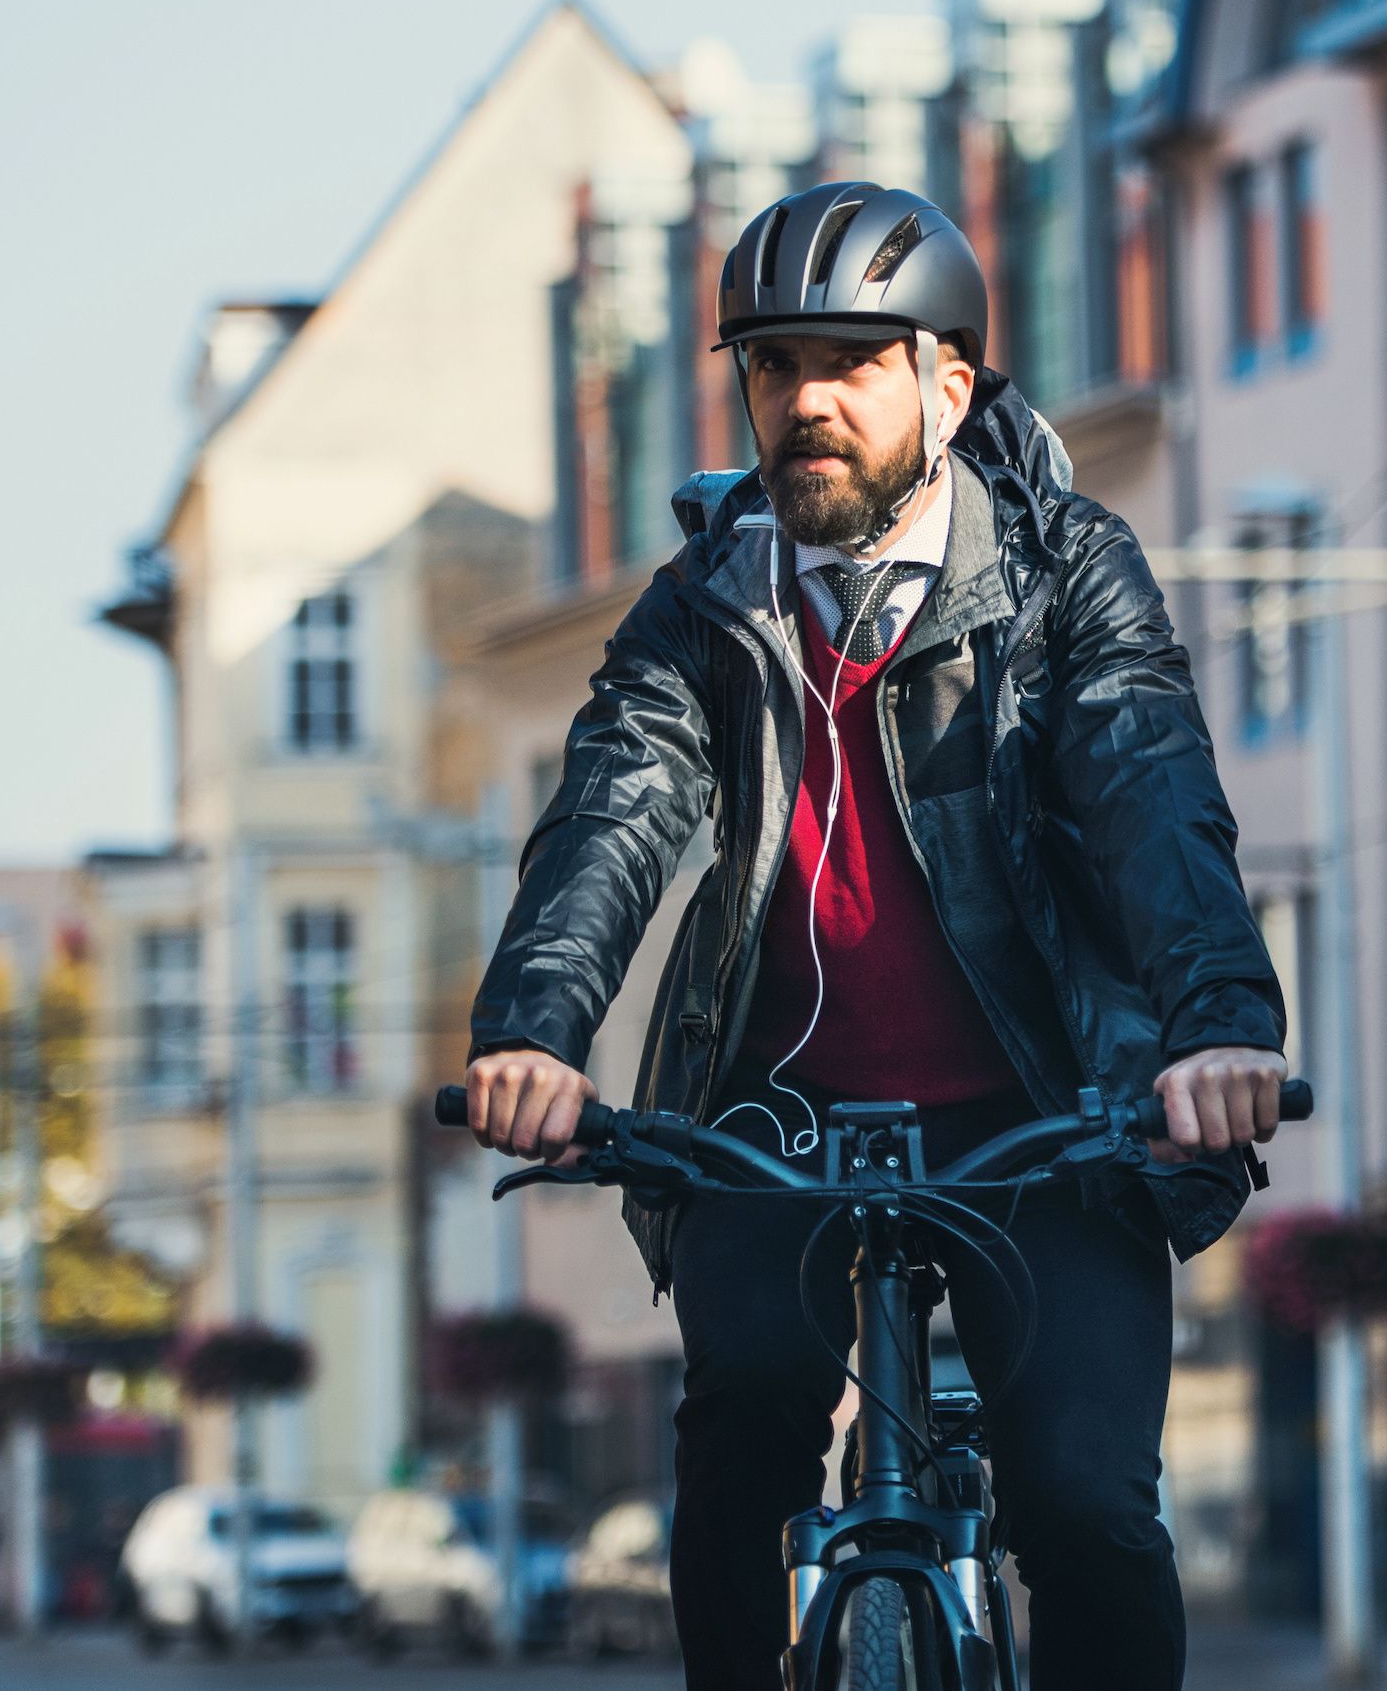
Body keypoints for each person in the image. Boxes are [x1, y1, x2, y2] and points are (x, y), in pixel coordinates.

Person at [461, 186, 1288, 1691]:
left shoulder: (1063, 573)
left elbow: (1148, 785)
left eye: (855, 357)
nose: (809, 398)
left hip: (1048, 1113)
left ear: (948, 384)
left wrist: (1219, 1019)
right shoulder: (702, 605)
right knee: (734, 1471)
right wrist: (537, 1024)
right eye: (775, 363)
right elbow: (613, 809)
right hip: (771, 1120)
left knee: (1088, 1504)